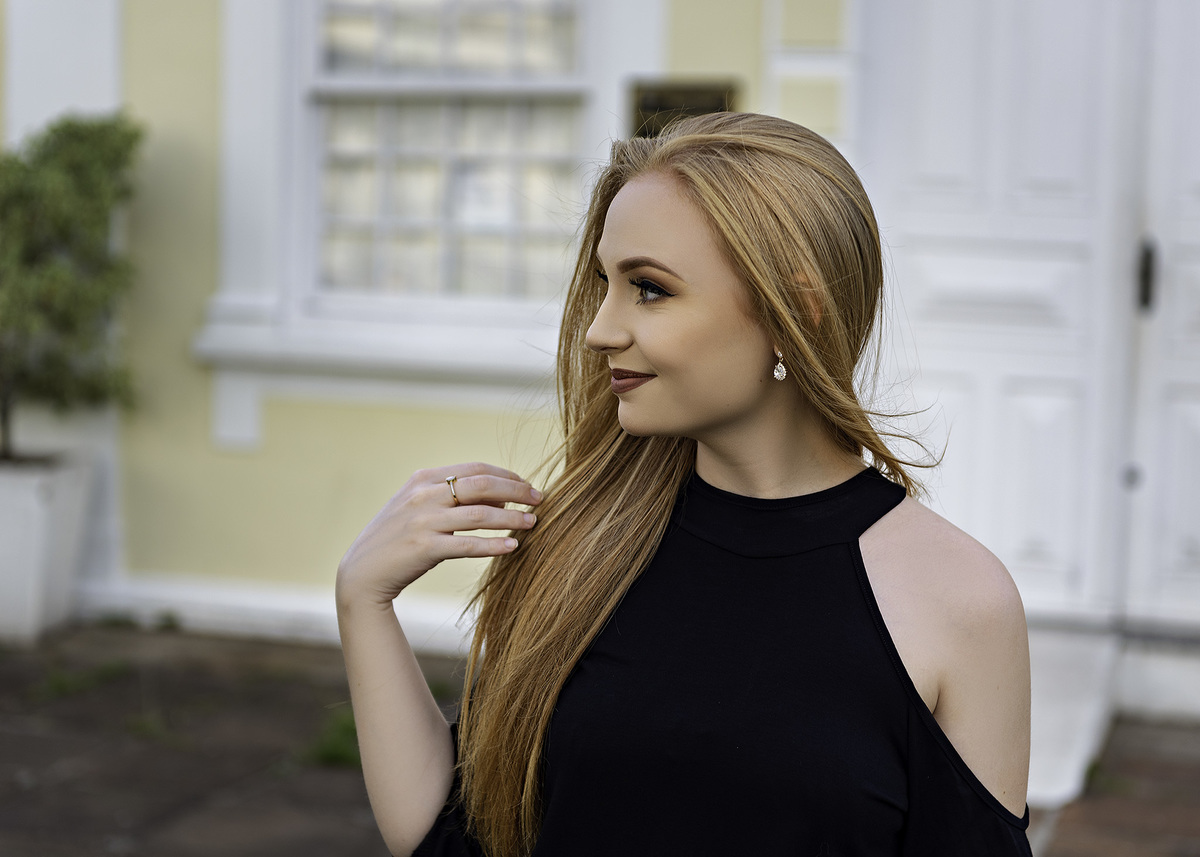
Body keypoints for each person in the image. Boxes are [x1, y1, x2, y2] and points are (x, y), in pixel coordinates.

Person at [336, 112, 1033, 857]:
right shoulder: (576, 549)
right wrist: (362, 600)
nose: (600, 330)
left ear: (796, 309)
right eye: (605, 284)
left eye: (648, 289)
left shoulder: (961, 602)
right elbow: (461, 836)